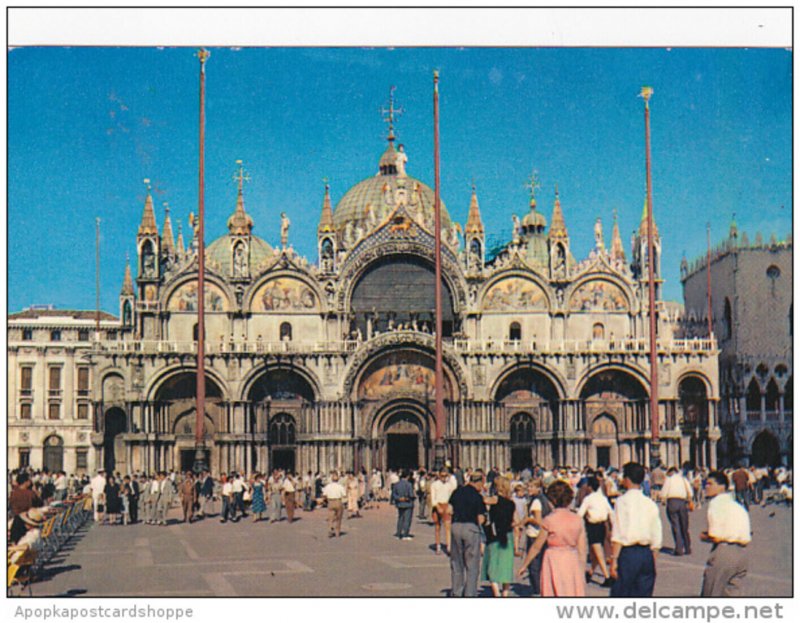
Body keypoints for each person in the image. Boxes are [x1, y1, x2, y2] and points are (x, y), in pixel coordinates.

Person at [518, 480, 586, 597]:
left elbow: (536, 546)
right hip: (571, 559)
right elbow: (582, 549)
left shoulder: (549, 520)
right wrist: (581, 569)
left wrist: (525, 564)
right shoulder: (578, 519)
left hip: (553, 559)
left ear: (552, 501)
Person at [609, 462, 663, 597]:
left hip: (628, 554)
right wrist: (653, 558)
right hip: (646, 554)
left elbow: (618, 532)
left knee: (622, 595)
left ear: (627, 479)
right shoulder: (649, 503)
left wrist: (614, 560)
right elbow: (657, 534)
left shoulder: (622, 501)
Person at [700, 471, 751, 596]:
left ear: (722, 486)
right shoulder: (737, 506)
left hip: (724, 552)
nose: (706, 487)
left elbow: (715, 535)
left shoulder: (716, 503)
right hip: (741, 554)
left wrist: (704, 536)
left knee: (711, 593)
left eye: (710, 484)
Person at [448, 470, 486, 597]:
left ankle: (456, 592)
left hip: (456, 527)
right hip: (471, 528)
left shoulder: (457, 492)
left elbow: (449, 510)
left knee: (457, 563)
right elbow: (480, 518)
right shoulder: (477, 496)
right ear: (479, 482)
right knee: (472, 564)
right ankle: (470, 594)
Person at [481, 476, 516, 597]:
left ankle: (496, 592)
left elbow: (484, 500)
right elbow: (514, 521)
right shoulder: (512, 503)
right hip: (508, 535)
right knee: (506, 565)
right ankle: (505, 593)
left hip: (495, 535)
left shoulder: (495, 499)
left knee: (493, 565)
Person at [577, 475, 613, 587]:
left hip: (592, 526)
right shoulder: (603, 498)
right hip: (603, 525)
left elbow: (580, 514)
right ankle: (591, 572)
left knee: (597, 552)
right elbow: (611, 513)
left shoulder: (588, 499)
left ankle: (607, 576)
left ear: (590, 487)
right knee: (594, 553)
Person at [521, 478, 551, 596]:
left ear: (538, 488)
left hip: (534, 534)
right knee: (541, 564)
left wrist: (527, 519)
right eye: (528, 486)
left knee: (534, 565)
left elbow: (538, 521)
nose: (529, 489)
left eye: (532, 487)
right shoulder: (544, 499)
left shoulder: (536, 502)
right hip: (542, 535)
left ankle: (537, 591)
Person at [662, 466, 694, 556]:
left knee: (675, 525)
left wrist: (663, 499)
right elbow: (690, 492)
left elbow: (664, 492)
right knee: (684, 525)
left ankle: (679, 548)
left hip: (672, 502)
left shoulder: (669, 480)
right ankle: (687, 547)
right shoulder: (683, 480)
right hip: (682, 502)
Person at [430, 469, 458, 554]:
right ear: (438, 475)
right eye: (442, 476)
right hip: (437, 505)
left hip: (446, 505)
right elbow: (433, 498)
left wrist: (451, 478)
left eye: (445, 476)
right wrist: (437, 506)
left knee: (448, 526)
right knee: (437, 526)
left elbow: (454, 491)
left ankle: (449, 546)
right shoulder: (434, 484)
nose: (444, 478)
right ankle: (438, 545)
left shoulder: (449, 485)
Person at [392, 470, 415, 540]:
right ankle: (405, 534)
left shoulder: (396, 484)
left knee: (400, 518)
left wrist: (399, 498)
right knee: (407, 519)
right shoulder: (409, 484)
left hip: (400, 503)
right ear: (407, 476)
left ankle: (398, 533)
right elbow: (411, 494)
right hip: (408, 504)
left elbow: (393, 494)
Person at [322, 471, 346, 537]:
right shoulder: (340, 486)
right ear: (338, 479)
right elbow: (344, 495)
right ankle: (337, 532)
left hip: (330, 502)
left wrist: (326, 500)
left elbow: (324, 495)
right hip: (338, 501)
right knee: (339, 518)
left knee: (330, 517)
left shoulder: (328, 486)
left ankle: (330, 528)